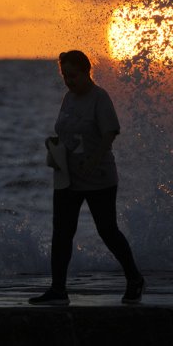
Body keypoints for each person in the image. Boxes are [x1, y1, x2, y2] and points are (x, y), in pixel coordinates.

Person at [30, 50, 144, 305]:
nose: (69, 81)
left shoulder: (99, 98)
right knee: (61, 232)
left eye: (73, 75)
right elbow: (67, 130)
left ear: (86, 71)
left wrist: (93, 162)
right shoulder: (68, 98)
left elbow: (110, 133)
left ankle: (134, 277)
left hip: (98, 176)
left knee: (107, 230)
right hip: (68, 177)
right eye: (64, 76)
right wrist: (56, 146)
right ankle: (58, 289)